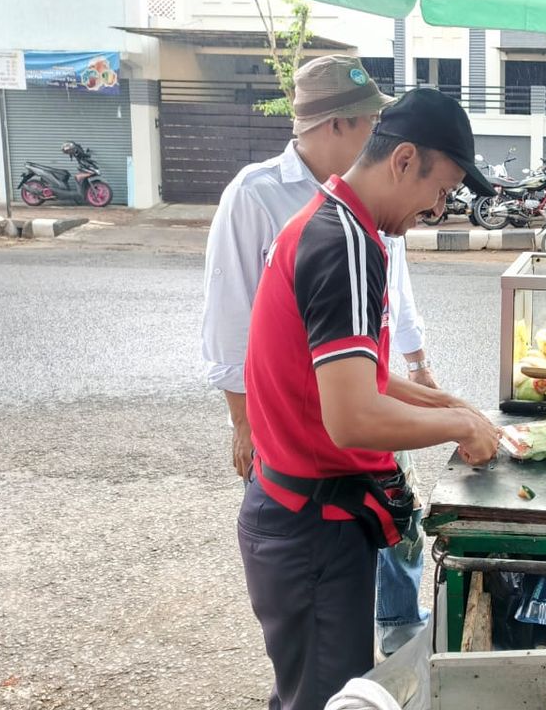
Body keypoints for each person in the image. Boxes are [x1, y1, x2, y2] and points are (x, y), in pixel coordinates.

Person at [238, 87, 498, 710]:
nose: (437, 210)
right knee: (327, 701)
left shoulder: (332, 222)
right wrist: (458, 425)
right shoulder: (346, 242)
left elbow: (366, 377)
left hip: (299, 522)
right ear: (404, 159)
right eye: (440, 191)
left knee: (311, 693)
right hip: (310, 533)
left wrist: (451, 406)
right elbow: (352, 416)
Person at [199, 55, 434, 657]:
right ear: (335, 126)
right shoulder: (263, 196)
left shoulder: (371, 206)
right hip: (308, 446)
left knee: (384, 516)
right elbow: (233, 317)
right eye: (369, 124)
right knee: (318, 639)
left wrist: (418, 366)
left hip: (358, 406)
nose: (379, 137)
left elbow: (393, 294)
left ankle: (395, 621)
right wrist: (244, 420)